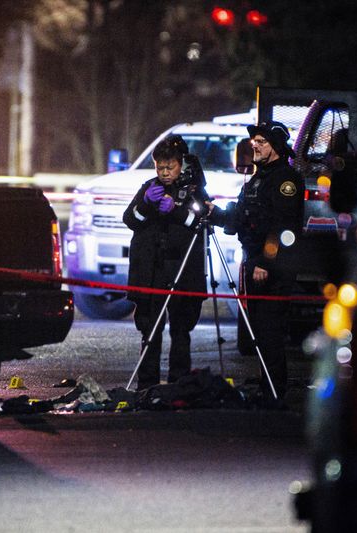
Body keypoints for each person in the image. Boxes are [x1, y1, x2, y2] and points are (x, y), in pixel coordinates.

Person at [209, 121, 305, 404]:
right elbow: (242, 217)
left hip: (272, 269)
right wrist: (216, 214)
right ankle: (267, 387)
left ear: (275, 147)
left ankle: (275, 392)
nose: (255, 146)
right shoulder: (257, 177)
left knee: (270, 330)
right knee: (260, 330)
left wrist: (266, 261)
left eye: (261, 142)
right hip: (254, 263)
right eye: (254, 142)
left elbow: (284, 227)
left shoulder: (285, 180)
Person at [122, 135, 207, 391]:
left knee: (180, 331)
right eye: (160, 167)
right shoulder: (148, 187)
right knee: (150, 330)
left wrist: (178, 211)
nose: (165, 172)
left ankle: (179, 383)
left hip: (182, 270)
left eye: (170, 167)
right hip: (152, 271)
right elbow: (130, 219)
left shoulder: (194, 190)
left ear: (181, 164)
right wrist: (146, 204)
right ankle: (147, 385)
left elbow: (201, 223)